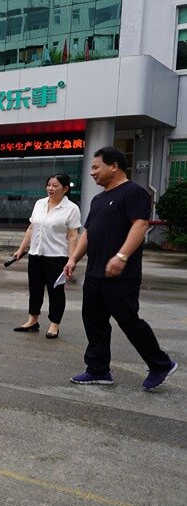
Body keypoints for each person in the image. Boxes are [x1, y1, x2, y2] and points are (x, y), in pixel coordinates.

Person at [63, 147, 178, 390]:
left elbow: (140, 224)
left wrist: (122, 256)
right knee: (94, 322)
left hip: (121, 274)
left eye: (96, 167)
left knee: (128, 321)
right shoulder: (98, 199)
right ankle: (98, 370)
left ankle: (160, 363)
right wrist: (73, 259)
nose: (92, 173)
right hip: (95, 272)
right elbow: (89, 233)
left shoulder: (133, 192)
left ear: (114, 166)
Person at [11, 173, 81, 339]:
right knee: (35, 289)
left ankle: (54, 324)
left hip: (57, 257)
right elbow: (31, 228)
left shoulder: (72, 209)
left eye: (55, 186)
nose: (50, 188)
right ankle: (32, 320)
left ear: (65, 189)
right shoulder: (39, 204)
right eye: (49, 185)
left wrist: (72, 259)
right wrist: (21, 249)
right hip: (36, 254)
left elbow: (73, 236)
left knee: (56, 291)